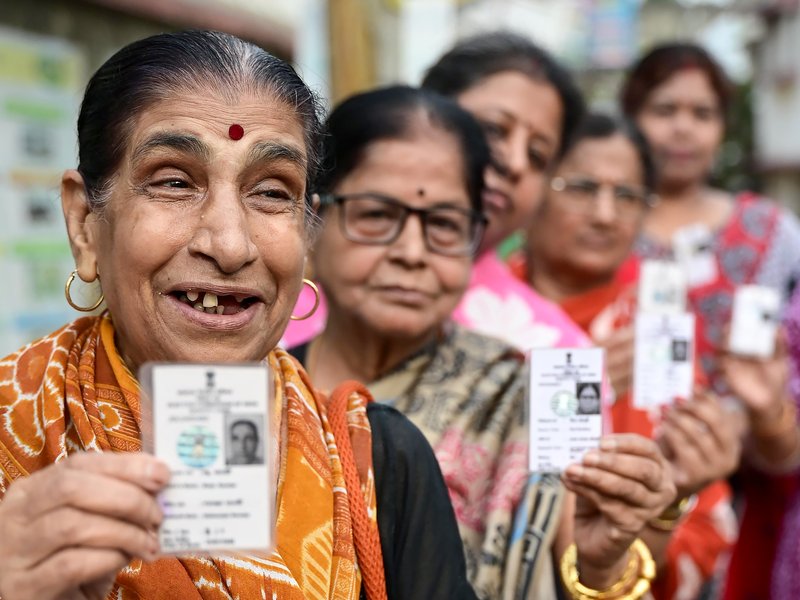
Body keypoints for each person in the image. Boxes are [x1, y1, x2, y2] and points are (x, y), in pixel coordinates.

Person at [0, 31, 476, 600]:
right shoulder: (14, 433)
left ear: (308, 231)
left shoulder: (378, 461)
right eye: (174, 182)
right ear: (83, 223)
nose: (229, 244)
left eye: (272, 192)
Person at [292, 86, 677, 600]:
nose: (412, 252)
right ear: (312, 221)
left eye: (445, 225)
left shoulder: (528, 399)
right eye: (377, 215)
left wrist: (602, 563)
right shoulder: (255, 390)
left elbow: (584, 556)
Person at [517, 113, 740, 599]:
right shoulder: (482, 309)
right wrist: (571, 390)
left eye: (627, 195)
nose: (604, 214)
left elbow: (701, 519)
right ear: (531, 189)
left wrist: (677, 492)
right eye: (580, 187)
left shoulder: (657, 323)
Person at [620, 42, 800, 600]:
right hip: (627, 478)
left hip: (754, 482)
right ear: (632, 118)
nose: (683, 129)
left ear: (723, 125)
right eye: (664, 110)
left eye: (702, 113)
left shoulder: (770, 230)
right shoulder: (605, 227)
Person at [283, 32, 590, 352]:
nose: (514, 164)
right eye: (493, 130)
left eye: (538, 155)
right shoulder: (253, 320)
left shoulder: (553, 350)